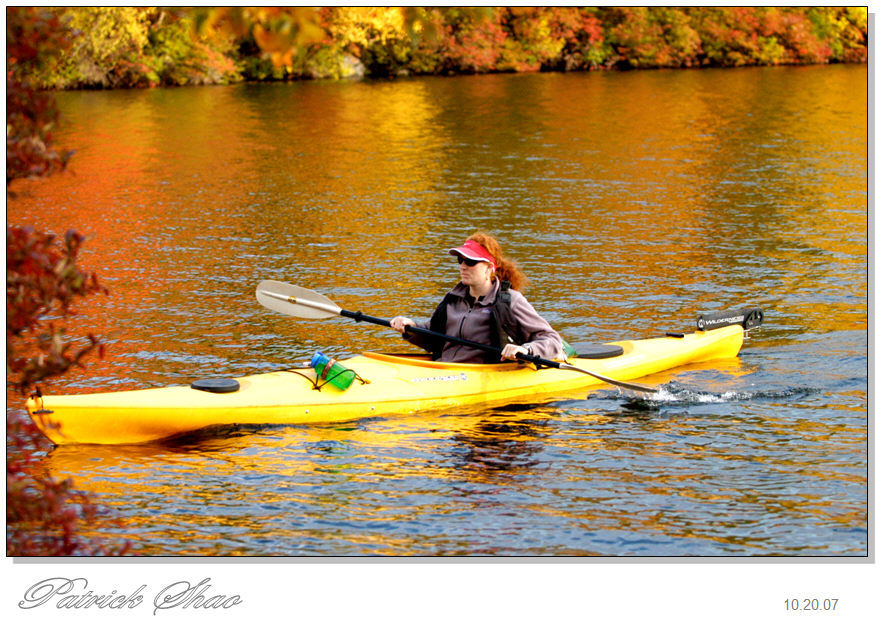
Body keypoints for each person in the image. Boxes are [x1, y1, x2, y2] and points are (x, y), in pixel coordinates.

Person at [390, 232, 564, 363]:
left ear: (489, 268)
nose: (463, 266)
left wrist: (526, 349)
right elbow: (434, 339)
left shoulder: (510, 300)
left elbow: (552, 339)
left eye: (471, 262)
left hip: (481, 375)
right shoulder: (452, 299)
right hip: (443, 370)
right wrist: (410, 328)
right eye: (461, 261)